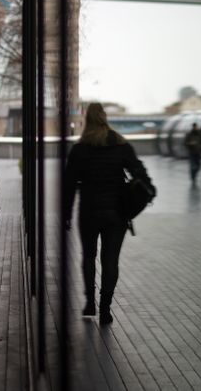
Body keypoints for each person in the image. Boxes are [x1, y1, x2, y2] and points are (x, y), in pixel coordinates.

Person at [63, 103, 152, 325]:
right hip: (117, 213)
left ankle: (90, 302)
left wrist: (65, 213)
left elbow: (69, 185)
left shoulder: (80, 149)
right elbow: (141, 175)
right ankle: (105, 309)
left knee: (89, 257)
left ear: (86, 121)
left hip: (89, 212)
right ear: (104, 118)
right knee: (110, 260)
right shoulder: (121, 146)